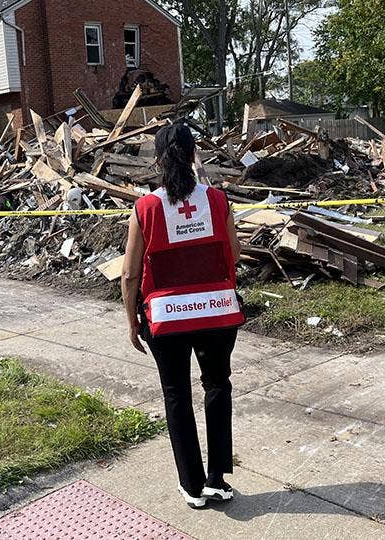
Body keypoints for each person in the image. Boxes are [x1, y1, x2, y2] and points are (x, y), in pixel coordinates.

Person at [121, 122, 244, 509]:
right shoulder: (218, 201)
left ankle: (191, 486)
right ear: (194, 155)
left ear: (158, 160)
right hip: (216, 314)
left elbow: (130, 273)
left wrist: (131, 321)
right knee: (217, 385)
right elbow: (234, 254)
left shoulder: (146, 208)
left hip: (167, 318)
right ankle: (218, 480)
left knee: (177, 395)